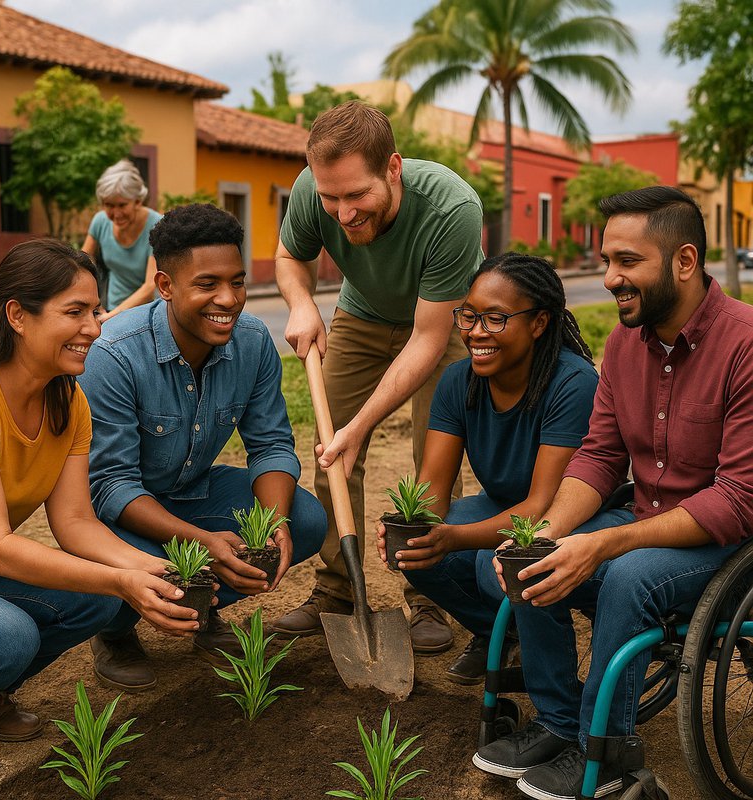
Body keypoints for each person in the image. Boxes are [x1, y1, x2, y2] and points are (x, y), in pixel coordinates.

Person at [476, 186, 753, 800]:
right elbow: (599, 457)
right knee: (532, 554)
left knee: (628, 576)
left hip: (728, 544)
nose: (609, 278)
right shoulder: (626, 343)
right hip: (647, 519)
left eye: (627, 262)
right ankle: (560, 721)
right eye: (607, 261)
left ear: (684, 261)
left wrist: (604, 546)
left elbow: (738, 499)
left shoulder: (745, 342)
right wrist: (546, 533)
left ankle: (609, 752)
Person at [0, 240, 201, 742]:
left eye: (95, 309)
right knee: (6, 639)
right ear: (18, 315)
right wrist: (117, 579)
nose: (94, 326)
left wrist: (148, 568)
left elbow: (75, 522)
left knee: (96, 603)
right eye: (75, 312)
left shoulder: (67, 399)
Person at [78, 203, 327, 692]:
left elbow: (272, 444)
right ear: (166, 286)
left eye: (236, 281)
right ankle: (115, 631)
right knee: (108, 573)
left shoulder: (252, 342)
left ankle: (204, 605)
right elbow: (111, 486)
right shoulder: (112, 354)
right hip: (118, 515)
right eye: (207, 284)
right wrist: (202, 541)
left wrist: (270, 528)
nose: (229, 299)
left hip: (190, 489)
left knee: (307, 518)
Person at [272, 100, 484, 654]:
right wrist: (300, 303)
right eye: (330, 198)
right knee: (331, 448)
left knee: (432, 461)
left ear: (393, 168)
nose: (342, 213)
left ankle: (429, 596)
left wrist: (364, 425)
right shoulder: (311, 188)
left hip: (440, 321)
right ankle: (338, 590)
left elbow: (429, 338)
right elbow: (290, 258)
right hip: (362, 315)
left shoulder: (451, 208)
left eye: (356, 195)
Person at [375, 253, 602, 685]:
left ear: (539, 323)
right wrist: (412, 529)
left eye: (496, 319)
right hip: (500, 506)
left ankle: (554, 685)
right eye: (469, 316)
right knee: (417, 551)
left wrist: (453, 538)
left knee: (490, 564)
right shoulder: (459, 381)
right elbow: (432, 492)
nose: (476, 332)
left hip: (572, 517)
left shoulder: (572, 384)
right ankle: (497, 631)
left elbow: (541, 504)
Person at [81, 159, 162, 322]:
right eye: (109, 205)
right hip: (111, 308)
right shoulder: (100, 221)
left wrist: (111, 316)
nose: (116, 214)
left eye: (122, 205)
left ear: (138, 201)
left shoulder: (157, 226)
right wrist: (94, 307)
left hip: (147, 312)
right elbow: (81, 264)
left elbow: (149, 287)